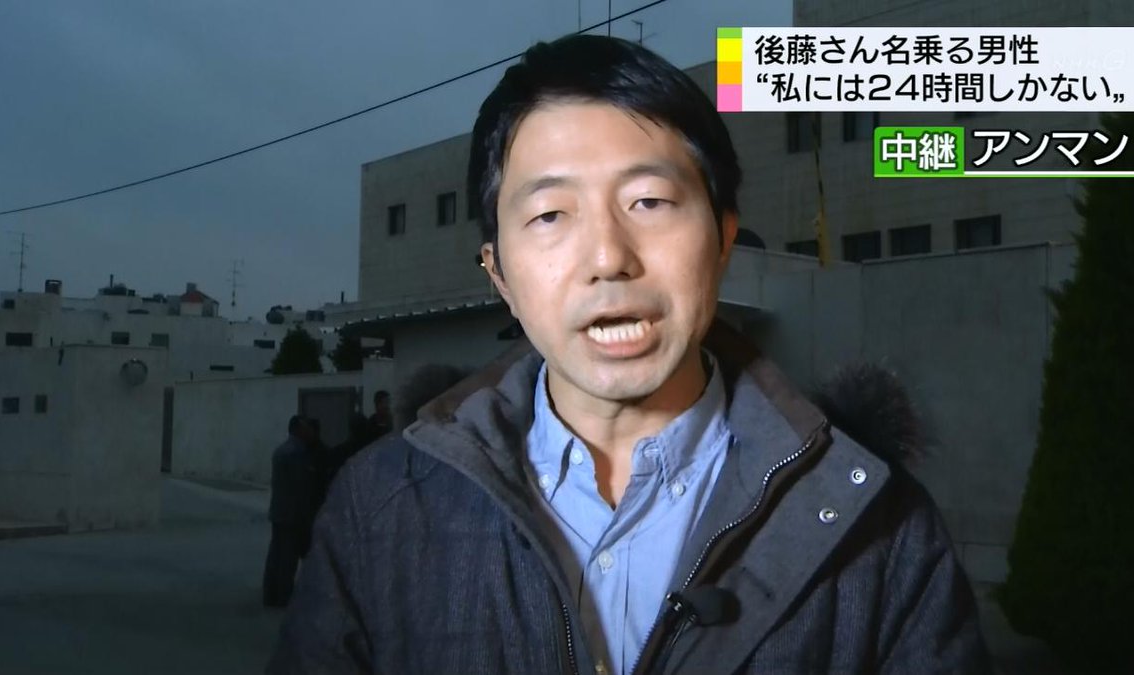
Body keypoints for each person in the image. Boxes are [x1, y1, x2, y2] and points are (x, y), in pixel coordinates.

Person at [270, 35, 990, 673]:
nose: (608, 257)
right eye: (550, 214)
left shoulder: (877, 524)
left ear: (724, 239)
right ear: (500, 275)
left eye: (649, 201)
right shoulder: (380, 508)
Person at [262, 415, 319, 608]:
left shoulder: (281, 450)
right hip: (292, 514)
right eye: (306, 428)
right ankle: (283, 597)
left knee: (276, 555)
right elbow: (301, 487)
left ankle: (270, 594)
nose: (310, 432)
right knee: (287, 559)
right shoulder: (297, 453)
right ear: (298, 429)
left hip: (279, 511)